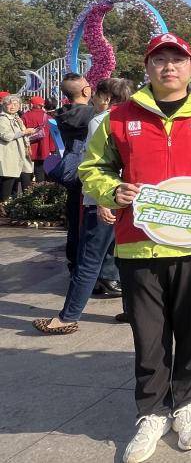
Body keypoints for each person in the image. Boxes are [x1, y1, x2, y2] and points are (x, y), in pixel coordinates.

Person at [78, 33, 191, 463]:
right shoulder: (120, 117)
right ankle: (151, 412)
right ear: (147, 67)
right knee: (148, 335)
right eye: (159, 60)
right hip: (140, 246)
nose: (168, 67)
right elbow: (92, 167)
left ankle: (187, 404)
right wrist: (112, 190)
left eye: (177, 59)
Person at [33, 78, 133, 334]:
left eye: (97, 94)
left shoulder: (101, 121)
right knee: (126, 258)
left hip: (104, 200)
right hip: (130, 199)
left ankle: (67, 317)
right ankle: (133, 310)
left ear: (106, 97)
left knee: (89, 260)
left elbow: (98, 165)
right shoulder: (133, 121)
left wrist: (102, 199)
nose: (93, 99)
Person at [55, 72, 95, 272]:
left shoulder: (62, 113)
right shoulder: (92, 115)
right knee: (87, 220)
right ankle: (86, 264)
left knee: (74, 218)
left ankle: (74, 260)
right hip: (87, 171)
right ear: (86, 90)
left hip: (71, 169)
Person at [0, 94, 35, 201]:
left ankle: (25, 203)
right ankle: (3, 204)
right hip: (10, 153)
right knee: (8, 180)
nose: (13, 106)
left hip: (21, 153)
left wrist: (28, 136)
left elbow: (21, 134)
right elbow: (6, 136)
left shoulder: (17, 118)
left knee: (26, 176)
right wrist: (24, 132)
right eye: (10, 104)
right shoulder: (3, 119)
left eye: (16, 104)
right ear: (4, 105)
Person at [21, 95, 54, 183]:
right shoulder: (48, 117)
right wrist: (52, 149)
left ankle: (26, 188)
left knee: (26, 169)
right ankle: (40, 187)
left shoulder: (25, 116)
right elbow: (52, 134)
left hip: (29, 146)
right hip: (44, 146)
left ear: (32, 104)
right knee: (40, 169)